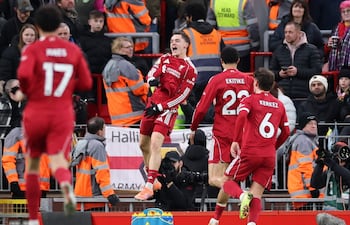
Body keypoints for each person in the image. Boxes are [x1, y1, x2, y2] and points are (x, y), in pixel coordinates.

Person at [17, 5, 92, 225]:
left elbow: (23, 76)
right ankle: (66, 186)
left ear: (38, 26)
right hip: (62, 112)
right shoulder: (73, 50)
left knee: (32, 164)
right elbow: (87, 83)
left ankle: (32, 218)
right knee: (59, 159)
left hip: (37, 111)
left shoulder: (33, 49)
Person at [210, 68, 290, 225]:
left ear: (256, 82)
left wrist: (235, 140)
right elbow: (286, 132)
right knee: (257, 194)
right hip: (268, 155)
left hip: (250, 151)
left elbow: (241, 117)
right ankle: (252, 223)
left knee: (226, 180)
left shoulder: (250, 100)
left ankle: (239, 198)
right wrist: (273, 146)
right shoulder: (279, 105)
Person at [190, 46, 254, 222]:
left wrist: (193, 128)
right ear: (238, 61)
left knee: (214, 178)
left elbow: (202, 108)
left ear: (221, 62)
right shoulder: (248, 80)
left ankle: (242, 195)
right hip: (243, 136)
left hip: (223, 135)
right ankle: (216, 219)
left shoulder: (217, 79)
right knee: (227, 180)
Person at [134, 31, 197, 201]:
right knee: (143, 145)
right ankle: (153, 181)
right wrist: (152, 79)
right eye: (171, 40)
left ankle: (148, 185)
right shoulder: (164, 58)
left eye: (176, 40)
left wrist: (162, 106)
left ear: (186, 45)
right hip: (152, 104)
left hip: (167, 110)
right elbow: (152, 73)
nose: (173, 43)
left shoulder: (190, 69)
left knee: (155, 143)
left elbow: (182, 96)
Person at [74, 117, 120, 210]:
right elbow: (101, 172)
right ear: (100, 131)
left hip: (80, 196)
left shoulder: (81, 143)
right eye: (104, 128)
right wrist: (110, 194)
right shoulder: (97, 146)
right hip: (94, 199)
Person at [182, 2, 224, 104]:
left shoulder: (185, 33)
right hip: (215, 80)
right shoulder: (216, 33)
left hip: (194, 82)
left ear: (190, 17)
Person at [102, 37, 149, 126]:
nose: (131, 49)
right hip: (134, 118)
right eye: (127, 47)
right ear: (118, 49)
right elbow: (139, 90)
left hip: (117, 119)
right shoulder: (127, 66)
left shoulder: (108, 66)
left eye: (131, 47)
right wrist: (149, 85)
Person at [269, 21, 322, 100]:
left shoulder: (311, 49)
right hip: (282, 95)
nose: (287, 35)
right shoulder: (279, 50)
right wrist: (279, 74)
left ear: (299, 33)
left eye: (290, 32)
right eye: (285, 32)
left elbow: (317, 71)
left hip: (304, 96)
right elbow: (271, 72)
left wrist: (298, 72)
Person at [206, 0, 260, 72]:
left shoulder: (214, 2)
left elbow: (210, 27)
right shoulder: (244, 2)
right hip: (242, 50)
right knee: (243, 79)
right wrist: (255, 46)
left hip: (223, 49)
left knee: (224, 79)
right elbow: (253, 27)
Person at [2, 127, 50, 199]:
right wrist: (13, 182)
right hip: (22, 188)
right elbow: (8, 160)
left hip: (41, 188)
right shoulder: (17, 133)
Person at [287, 112, 322, 210]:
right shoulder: (304, 141)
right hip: (306, 194)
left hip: (303, 194)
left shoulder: (307, 141)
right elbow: (306, 167)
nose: (314, 126)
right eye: (310, 123)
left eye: (315, 124)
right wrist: (313, 188)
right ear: (303, 126)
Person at [79, 10, 112, 102]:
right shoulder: (83, 39)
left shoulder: (107, 40)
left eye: (101, 21)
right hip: (90, 74)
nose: (98, 24)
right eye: (96, 21)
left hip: (104, 75)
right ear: (89, 22)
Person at [311, 141, 350, 210]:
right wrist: (320, 163)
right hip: (329, 212)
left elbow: (347, 176)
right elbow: (315, 184)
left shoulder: (343, 169)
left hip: (345, 212)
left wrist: (332, 164)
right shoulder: (331, 172)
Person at [326, 1, 350, 72]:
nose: (346, 13)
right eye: (343, 12)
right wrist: (328, 45)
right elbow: (328, 50)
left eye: (348, 11)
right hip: (335, 66)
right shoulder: (336, 28)